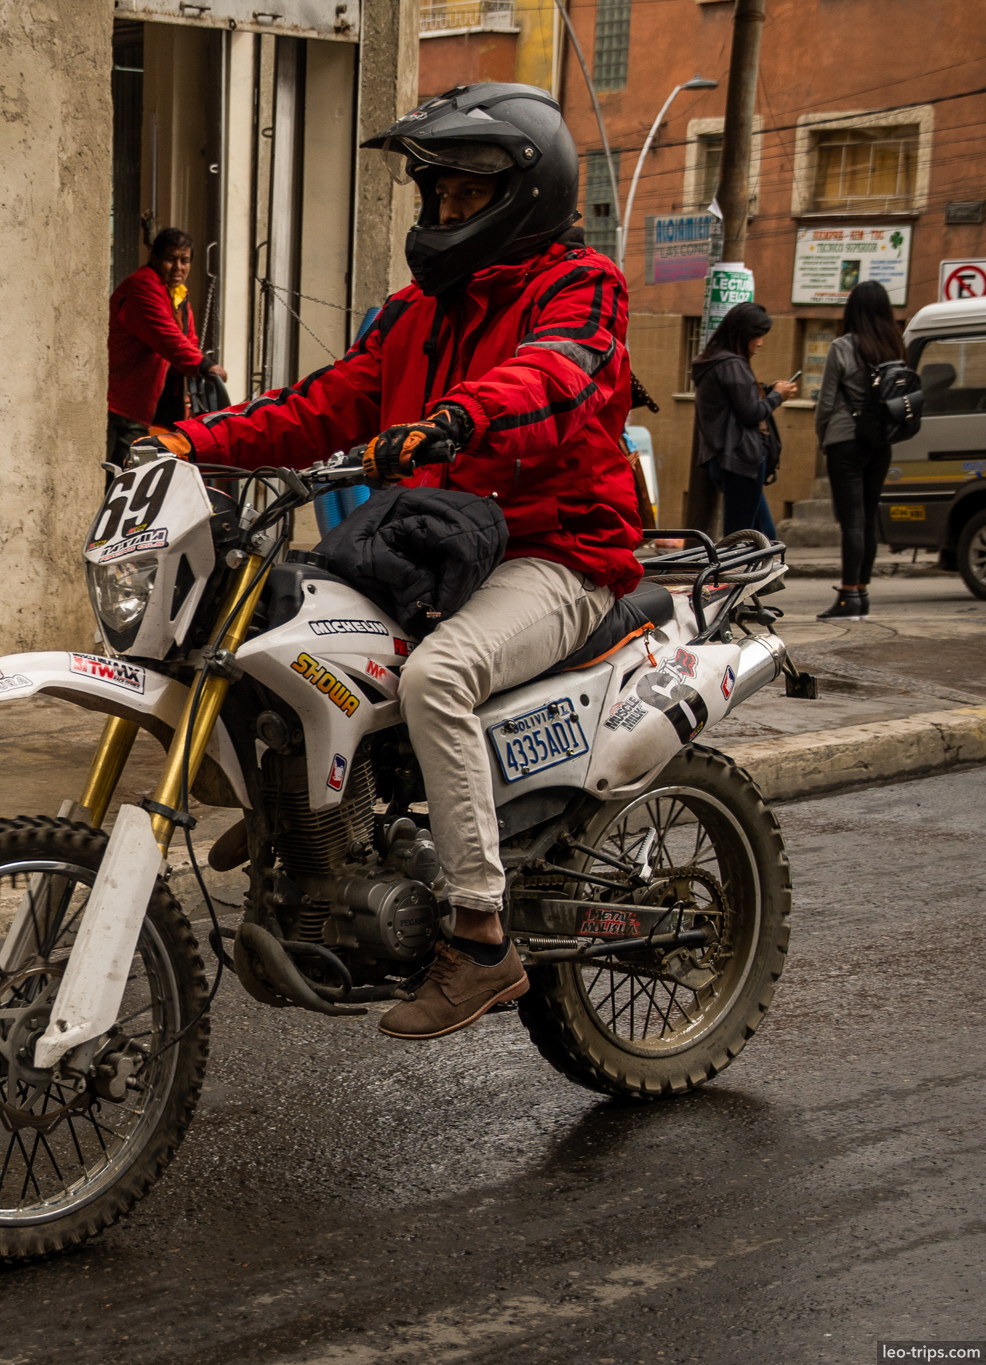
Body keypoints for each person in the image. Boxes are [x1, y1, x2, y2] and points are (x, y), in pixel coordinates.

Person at [128, 82, 642, 1040]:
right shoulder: (414, 313)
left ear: (523, 198)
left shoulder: (583, 288)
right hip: (438, 545)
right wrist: (189, 443)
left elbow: (556, 374)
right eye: (434, 196)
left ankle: (482, 937)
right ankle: (307, 822)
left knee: (438, 676)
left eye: (463, 198)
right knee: (272, 623)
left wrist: (457, 417)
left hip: (556, 552)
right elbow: (319, 403)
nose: (442, 215)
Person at [812, 281, 907, 620]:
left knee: (851, 519)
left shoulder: (842, 347)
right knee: (867, 519)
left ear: (852, 310)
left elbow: (825, 402)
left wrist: (823, 436)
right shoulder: (895, 346)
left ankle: (848, 597)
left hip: (845, 440)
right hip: (881, 443)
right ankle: (862, 594)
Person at [107, 229, 228, 469]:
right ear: (154, 258)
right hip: (120, 404)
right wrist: (203, 365)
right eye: (170, 259)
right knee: (120, 478)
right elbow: (167, 337)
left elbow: (188, 340)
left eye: (185, 261)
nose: (178, 267)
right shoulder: (142, 286)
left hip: (144, 406)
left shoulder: (177, 294)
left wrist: (199, 364)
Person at [689, 303, 796, 539]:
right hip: (739, 459)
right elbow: (751, 413)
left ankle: (750, 575)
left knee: (763, 534)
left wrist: (767, 391)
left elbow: (736, 403)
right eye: (756, 336)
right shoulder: (732, 365)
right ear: (742, 334)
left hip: (729, 459)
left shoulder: (716, 362)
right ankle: (731, 576)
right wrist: (778, 396)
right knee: (742, 537)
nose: (760, 342)